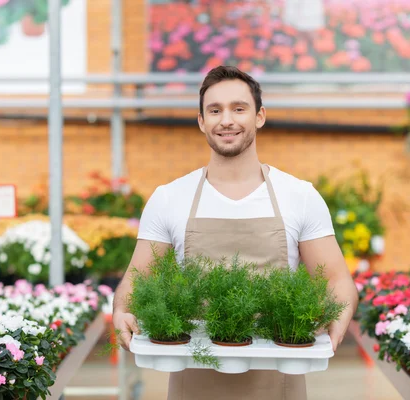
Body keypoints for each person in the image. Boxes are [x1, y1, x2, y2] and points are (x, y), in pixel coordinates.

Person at [112, 65, 359, 400]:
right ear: (201, 121)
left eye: (238, 108)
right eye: (215, 110)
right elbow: (136, 280)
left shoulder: (298, 196)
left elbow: (336, 279)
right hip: (193, 377)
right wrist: (123, 309)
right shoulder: (169, 197)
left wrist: (337, 314)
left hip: (279, 378)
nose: (226, 120)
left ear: (259, 116)